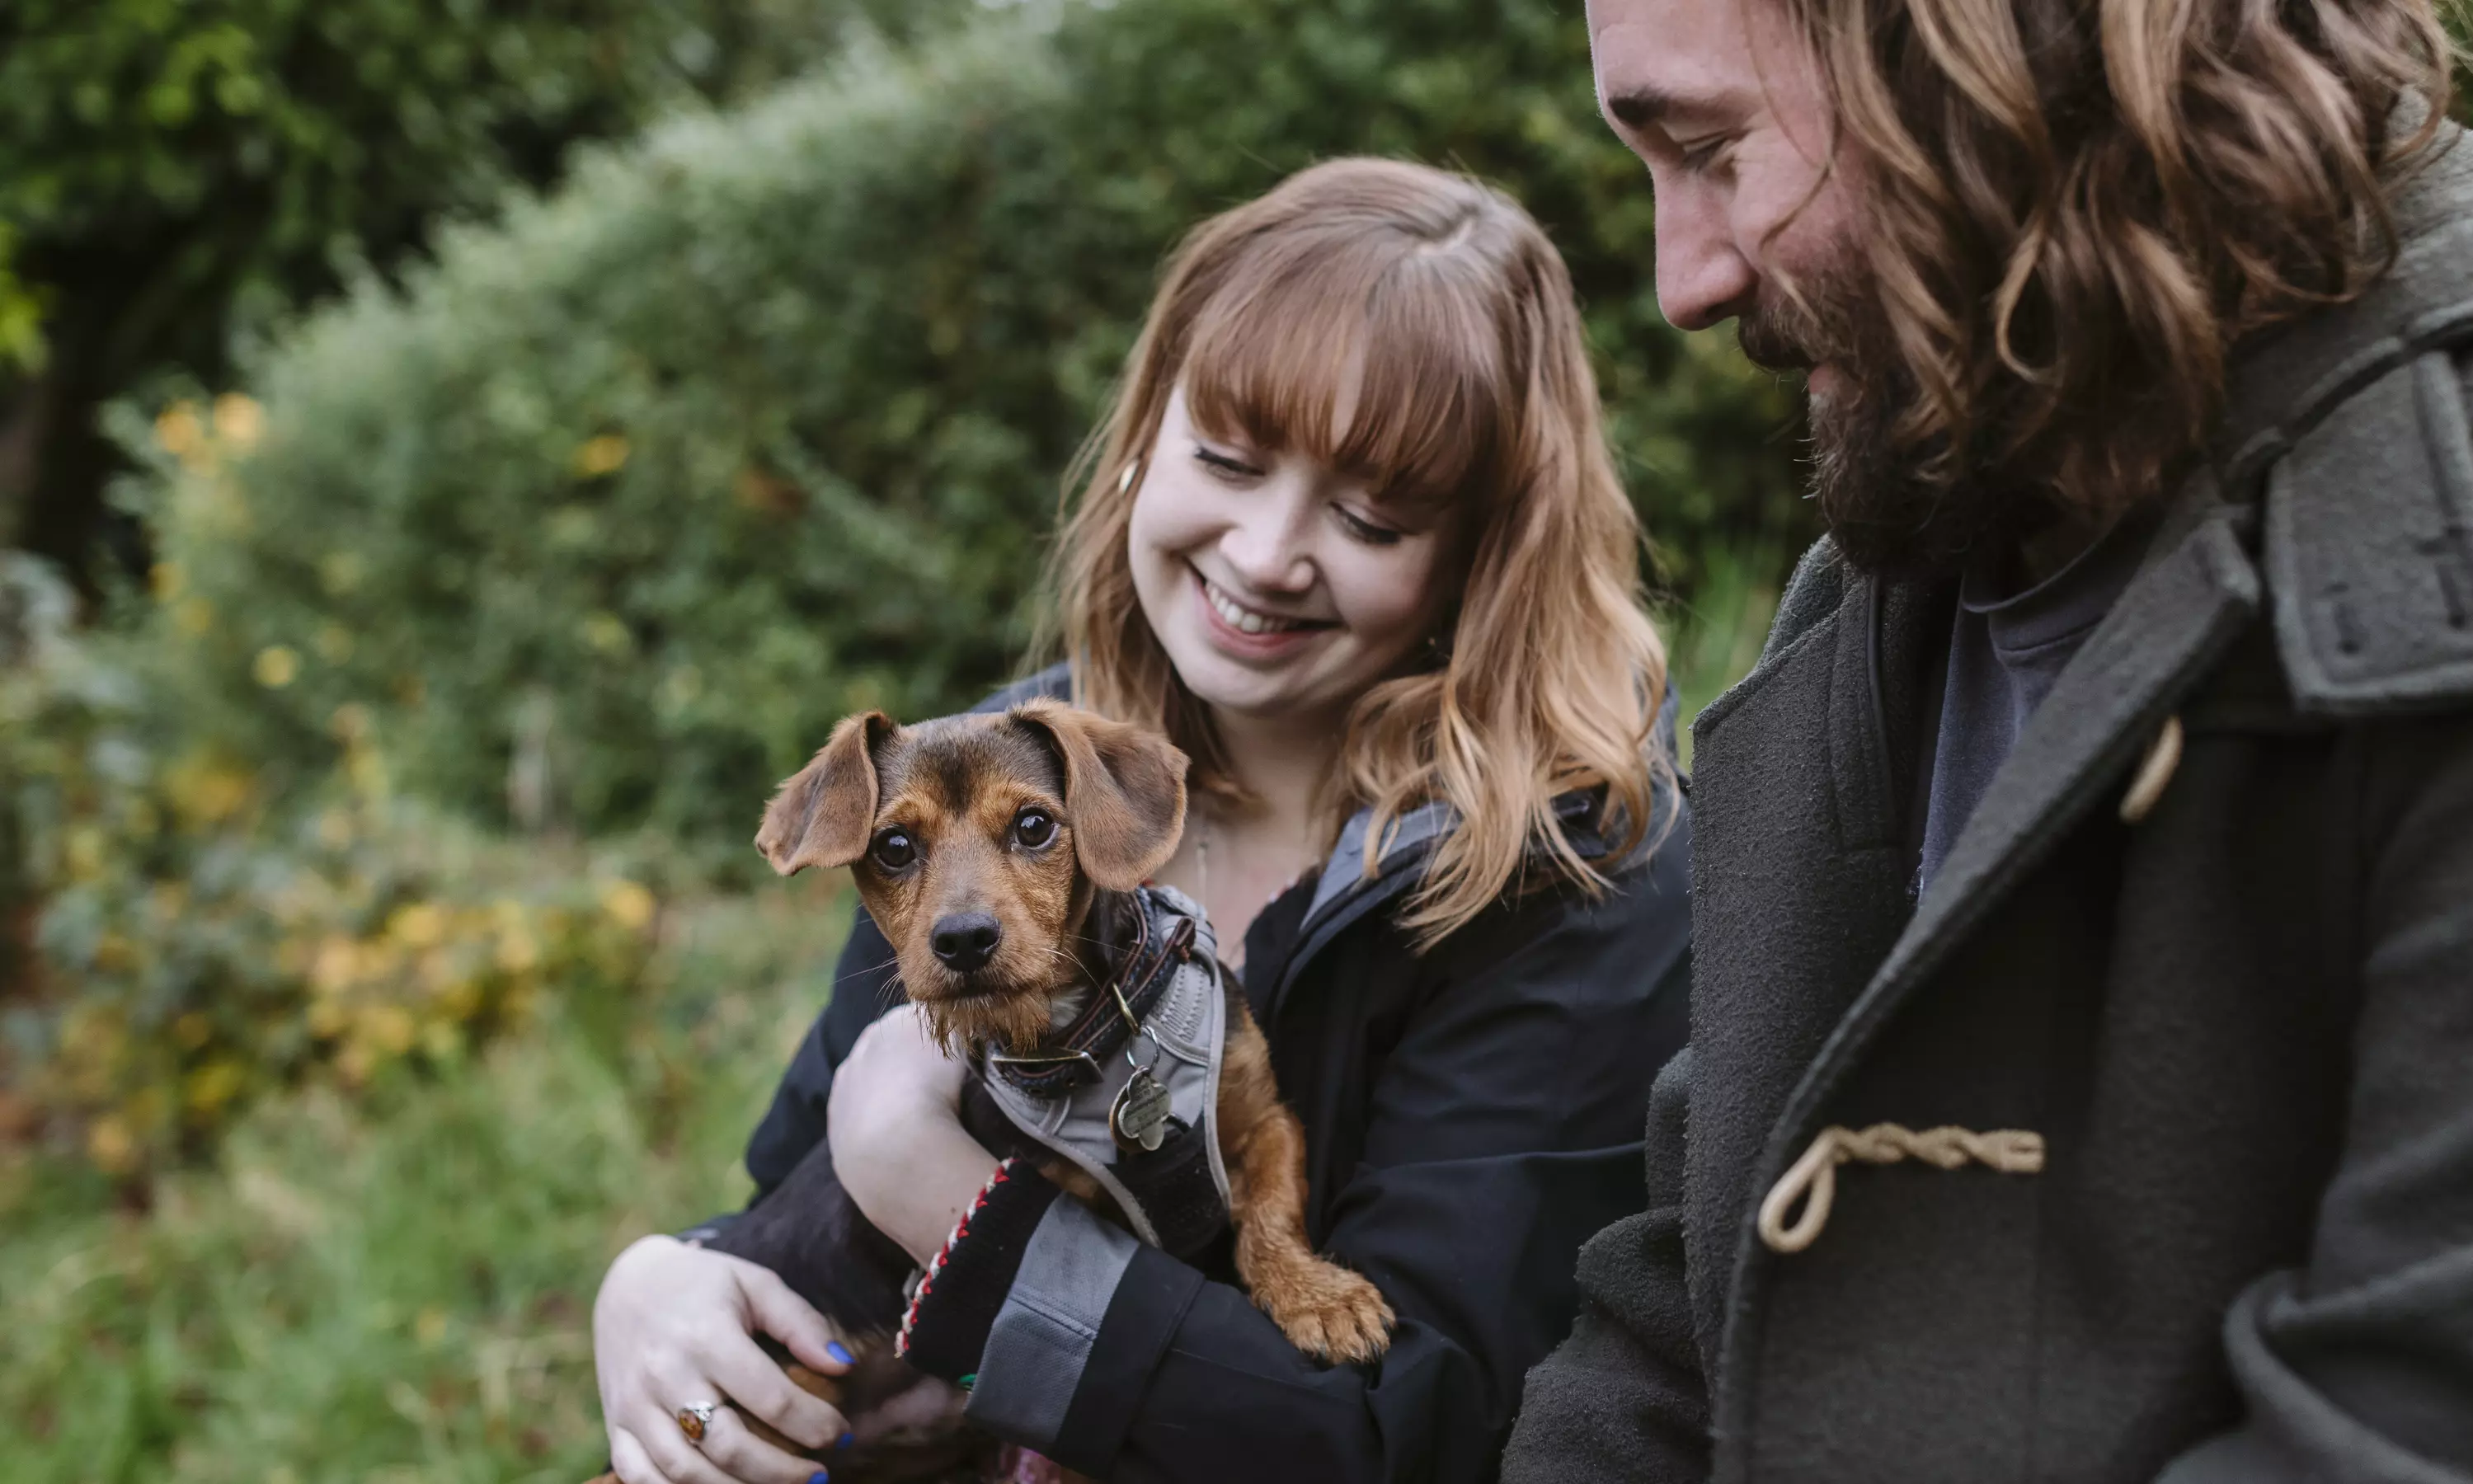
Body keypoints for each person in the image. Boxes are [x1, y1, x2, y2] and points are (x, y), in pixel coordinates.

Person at [1503, 0, 2473, 1479]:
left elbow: (2451, 1428)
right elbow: (1677, 1316)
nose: (1684, 283)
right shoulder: (1882, 603)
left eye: (1714, 150)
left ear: (1998, 55)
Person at [591, 157, 1694, 1484]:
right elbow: (801, 1225)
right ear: (1144, 442)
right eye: (1226, 457)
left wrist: (938, 1187)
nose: (1267, 550)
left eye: (1367, 515)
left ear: (1483, 551)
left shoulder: (1573, 874)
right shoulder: (983, 784)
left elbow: (1407, 1429)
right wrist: (664, 1286)